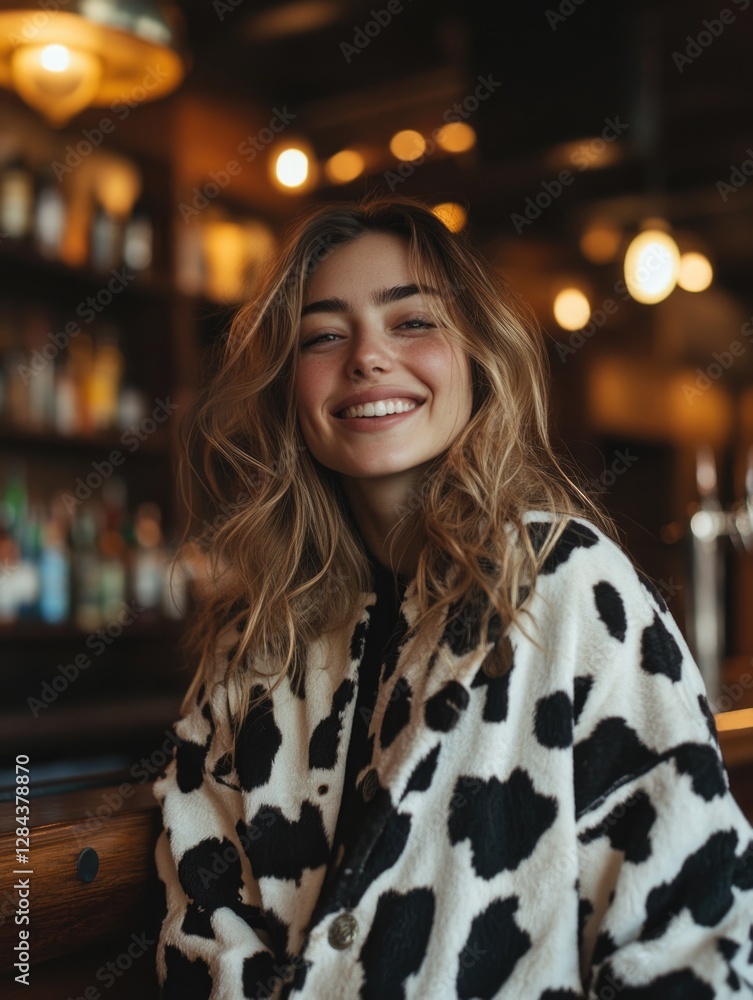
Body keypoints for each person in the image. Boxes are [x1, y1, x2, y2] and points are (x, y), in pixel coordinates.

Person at [153, 196, 753, 1000]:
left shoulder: (562, 582)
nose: (366, 357)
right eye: (324, 335)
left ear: (478, 359)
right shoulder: (252, 646)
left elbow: (692, 936)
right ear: (287, 390)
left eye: (411, 323)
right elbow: (203, 935)